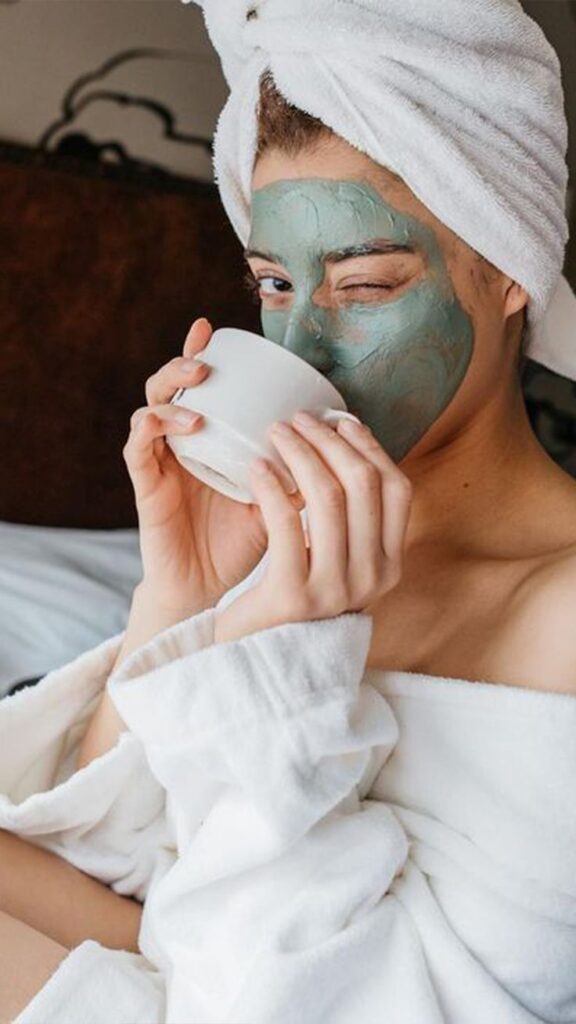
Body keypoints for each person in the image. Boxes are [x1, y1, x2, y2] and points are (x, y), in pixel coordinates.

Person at [2, 8, 576, 1024]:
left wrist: (279, 671)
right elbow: (111, 861)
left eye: (362, 285)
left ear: (509, 274)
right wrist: (182, 598)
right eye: (272, 283)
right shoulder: (290, 546)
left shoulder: (561, 616)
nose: (304, 343)